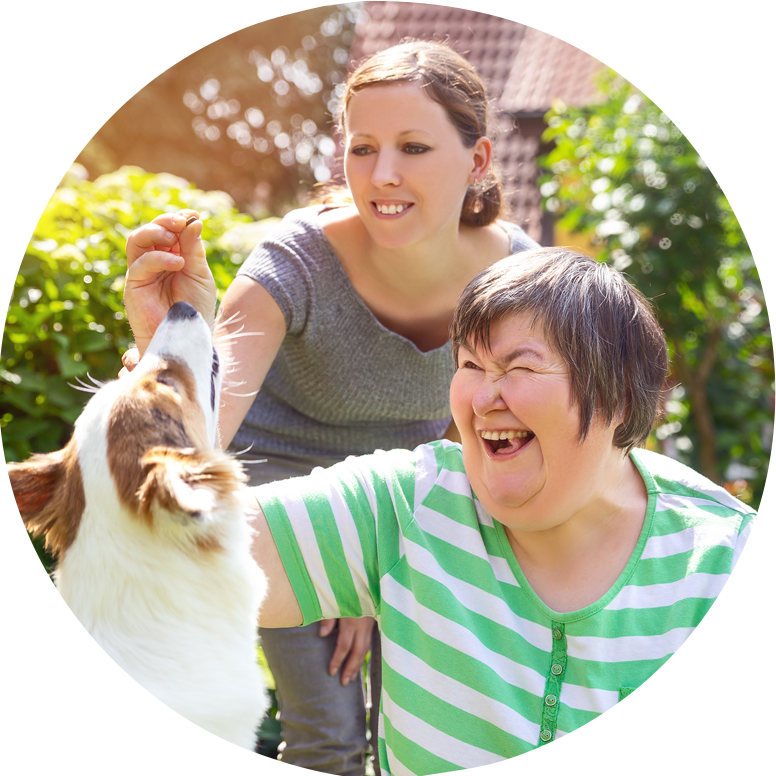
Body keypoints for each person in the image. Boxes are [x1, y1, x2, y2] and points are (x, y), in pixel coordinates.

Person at [123, 40, 538, 776]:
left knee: (440, 736)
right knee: (333, 737)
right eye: (363, 148)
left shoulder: (514, 275)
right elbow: (206, 426)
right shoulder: (295, 261)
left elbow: (485, 428)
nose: (382, 175)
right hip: (276, 488)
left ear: (476, 162)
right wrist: (168, 344)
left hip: (417, 492)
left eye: (414, 147)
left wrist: (385, 556)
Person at [251, 247, 776, 775]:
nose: (482, 398)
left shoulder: (725, 561)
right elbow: (196, 554)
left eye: (519, 366)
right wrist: (173, 353)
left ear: (616, 394)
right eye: (471, 366)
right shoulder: (411, 503)